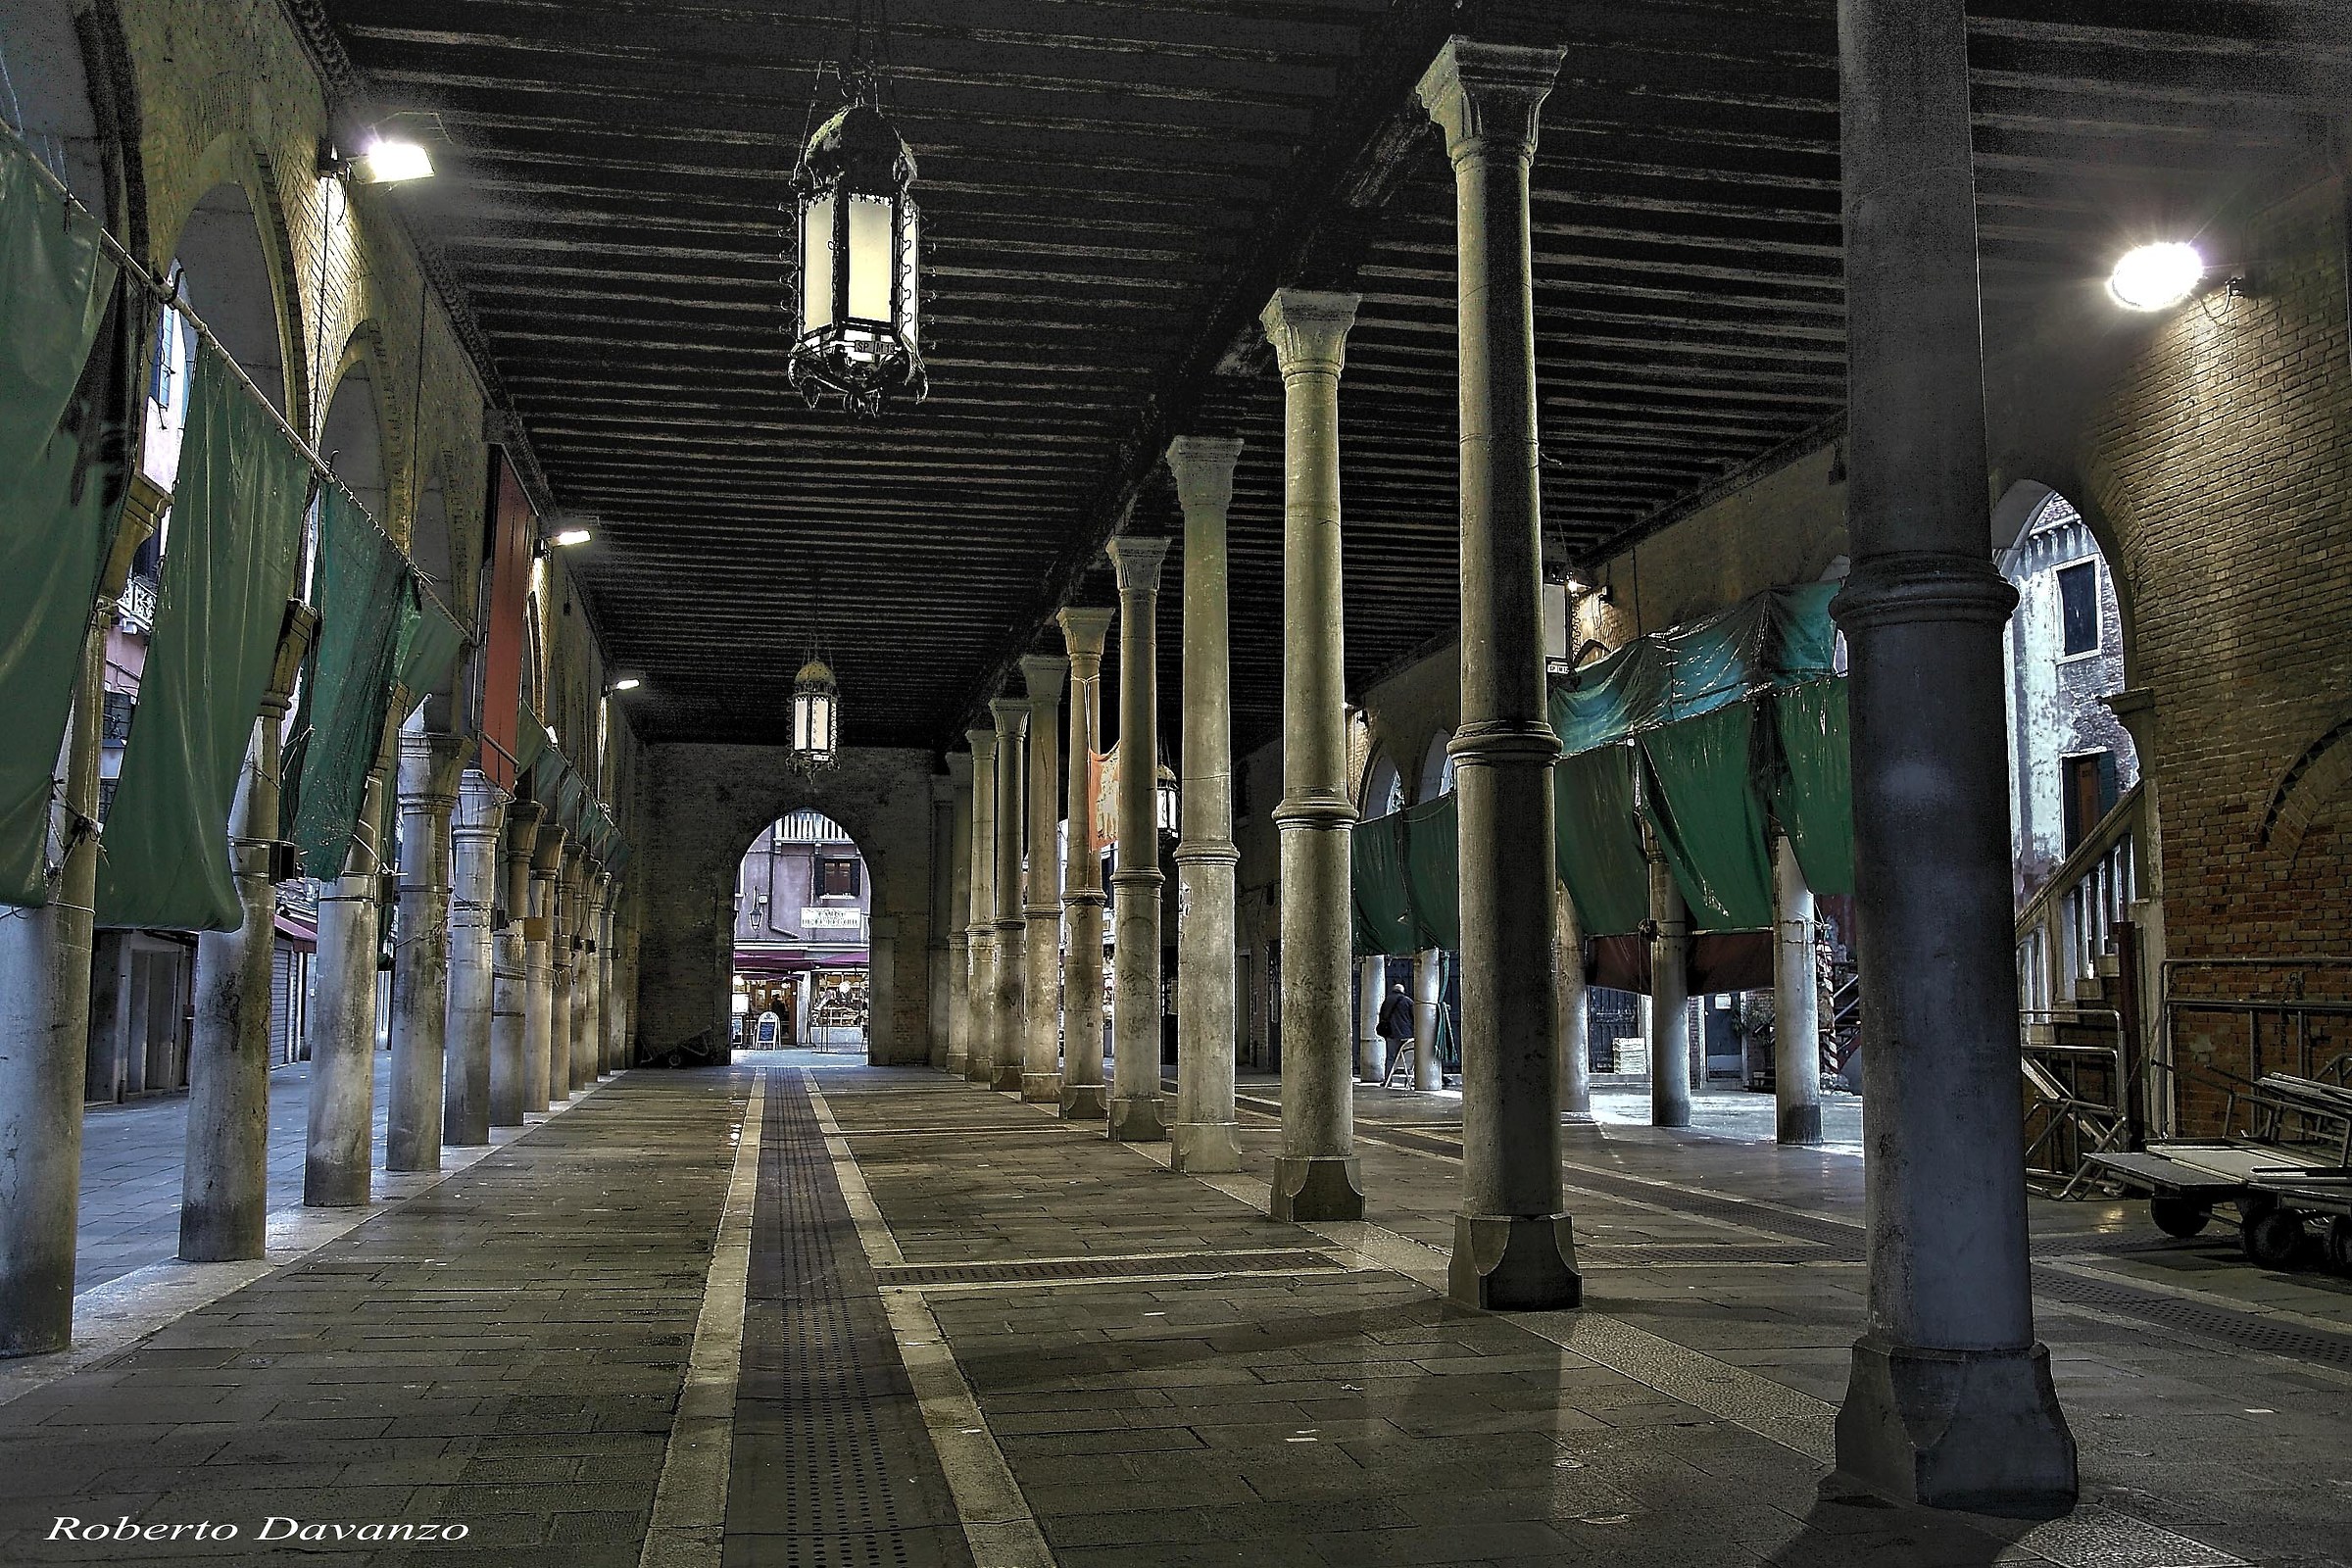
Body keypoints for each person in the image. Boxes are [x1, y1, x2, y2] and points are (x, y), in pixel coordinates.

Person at [1375, 981, 1414, 1067]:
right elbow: (1414, 1017)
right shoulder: (1408, 1001)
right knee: (1407, 1055)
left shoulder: (1387, 1001)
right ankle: (1405, 1072)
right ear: (1403, 991)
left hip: (1390, 1033)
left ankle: (1389, 1074)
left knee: (1390, 1057)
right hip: (1405, 1034)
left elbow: (1382, 1016)